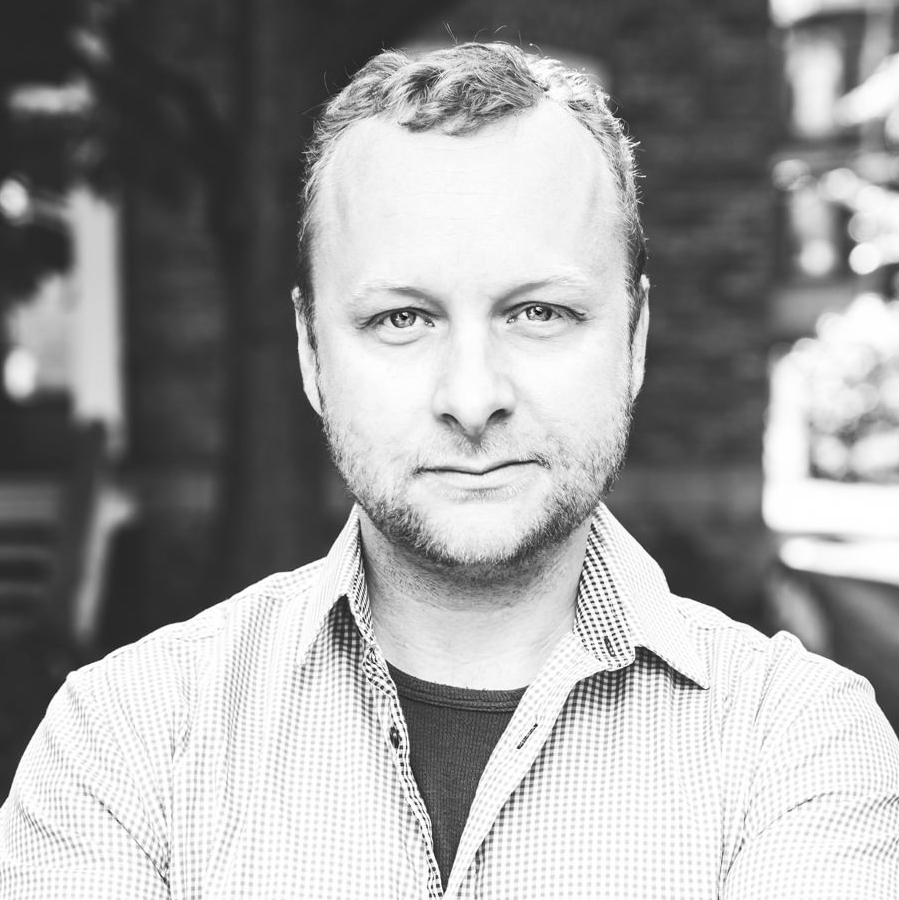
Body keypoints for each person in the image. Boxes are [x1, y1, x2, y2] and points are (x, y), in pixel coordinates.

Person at [1, 42, 898, 900]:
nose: (472, 399)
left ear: (633, 339)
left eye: (538, 312)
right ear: (312, 353)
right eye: (401, 319)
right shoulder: (125, 743)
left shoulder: (797, 748)